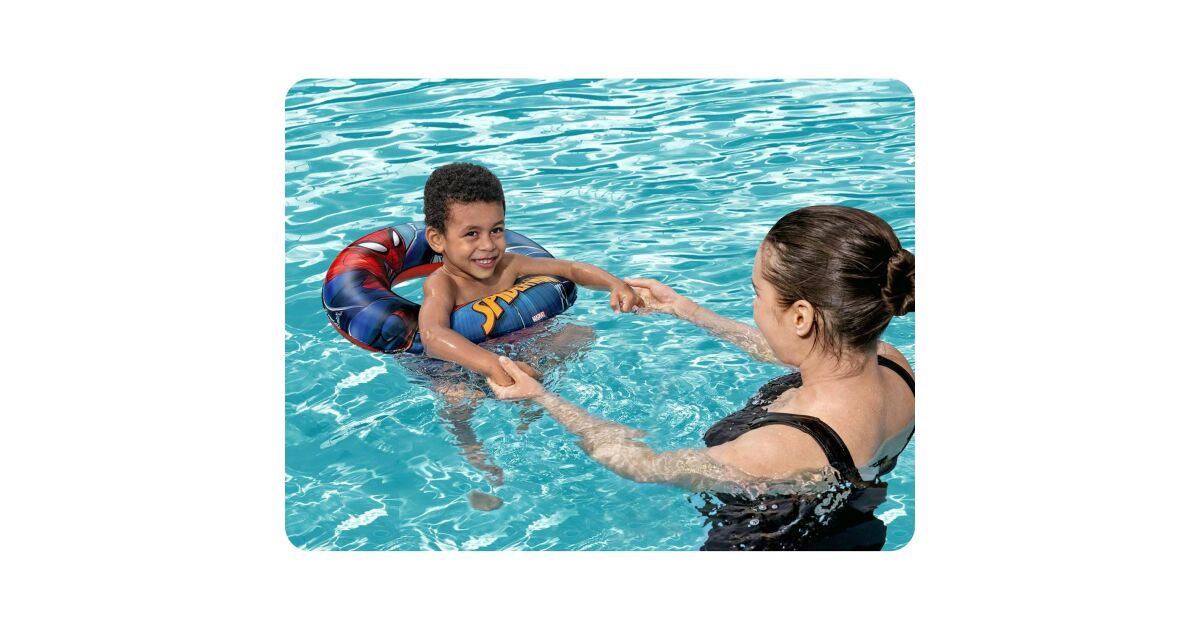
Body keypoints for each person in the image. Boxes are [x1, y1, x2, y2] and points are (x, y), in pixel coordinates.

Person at [488, 205, 916, 550]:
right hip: (854, 530)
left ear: (801, 316)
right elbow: (806, 353)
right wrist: (688, 311)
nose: (755, 304)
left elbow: (644, 466)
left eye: (758, 293)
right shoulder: (892, 365)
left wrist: (542, 396)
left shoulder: (774, 450)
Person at [418, 162, 637, 387]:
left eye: (496, 230)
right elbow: (433, 335)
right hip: (465, 367)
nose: (488, 245)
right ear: (437, 239)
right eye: (472, 233)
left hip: (523, 348)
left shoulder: (509, 265)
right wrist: (493, 365)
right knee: (456, 394)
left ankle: (538, 392)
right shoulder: (443, 284)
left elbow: (569, 269)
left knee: (579, 333)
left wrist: (614, 284)